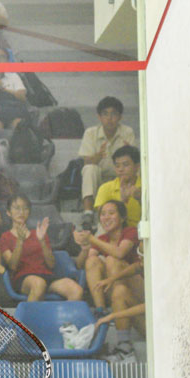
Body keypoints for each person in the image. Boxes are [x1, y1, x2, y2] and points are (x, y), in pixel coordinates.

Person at [0, 193, 83, 302]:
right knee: (39, 284)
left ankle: (65, 319)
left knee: (76, 290)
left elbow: (51, 264)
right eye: (17, 208)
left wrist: (42, 241)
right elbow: (13, 266)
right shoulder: (5, 237)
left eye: (25, 208)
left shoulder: (39, 233)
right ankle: (28, 319)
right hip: (23, 278)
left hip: (46, 276)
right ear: (8, 212)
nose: (21, 212)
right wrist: (20, 241)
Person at [74, 200, 139, 318]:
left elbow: (120, 253)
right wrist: (84, 249)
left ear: (123, 218)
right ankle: (100, 310)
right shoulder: (102, 238)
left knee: (111, 260)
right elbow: (81, 264)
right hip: (112, 287)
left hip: (136, 289)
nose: (106, 217)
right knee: (92, 261)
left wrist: (92, 239)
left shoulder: (131, 231)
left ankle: (118, 305)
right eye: (103, 214)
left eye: (111, 213)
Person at [78, 96, 137, 225]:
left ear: (120, 117)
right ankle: (88, 212)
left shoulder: (127, 132)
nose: (109, 118)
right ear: (99, 117)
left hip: (120, 178)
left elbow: (135, 162)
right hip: (100, 178)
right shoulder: (90, 133)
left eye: (114, 114)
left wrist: (129, 151)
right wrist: (98, 156)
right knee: (89, 168)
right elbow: (86, 162)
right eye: (105, 114)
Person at [94, 241, 145, 364]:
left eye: (142, 255)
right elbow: (136, 267)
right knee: (119, 291)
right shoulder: (145, 264)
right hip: (150, 321)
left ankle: (126, 352)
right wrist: (112, 279)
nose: (138, 258)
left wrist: (112, 315)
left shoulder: (165, 273)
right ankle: (125, 349)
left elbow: (150, 307)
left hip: (162, 331)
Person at [95, 145, 142, 228]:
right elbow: (104, 220)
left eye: (125, 165)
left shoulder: (146, 187)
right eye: (117, 166)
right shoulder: (105, 188)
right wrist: (122, 202)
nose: (120, 169)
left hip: (138, 232)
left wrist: (140, 198)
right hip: (113, 231)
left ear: (137, 166)